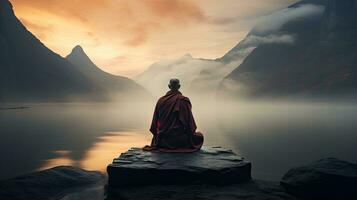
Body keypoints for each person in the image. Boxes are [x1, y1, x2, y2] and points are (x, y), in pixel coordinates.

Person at [143, 78, 204, 152]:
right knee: (199, 137)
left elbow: (155, 124)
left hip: (163, 140)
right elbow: (190, 125)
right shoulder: (183, 100)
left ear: (169, 86)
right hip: (179, 140)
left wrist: (160, 133)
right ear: (179, 86)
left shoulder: (161, 100)